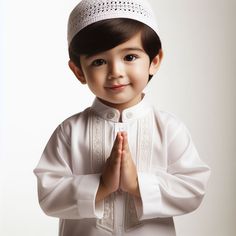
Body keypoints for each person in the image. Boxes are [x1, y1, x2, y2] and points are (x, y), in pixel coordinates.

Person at [34, 0, 210, 235]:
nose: (116, 71)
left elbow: (193, 188)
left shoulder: (169, 128)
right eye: (99, 62)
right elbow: (49, 195)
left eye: (129, 57)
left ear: (154, 61)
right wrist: (101, 185)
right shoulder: (69, 132)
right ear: (79, 71)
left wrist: (137, 184)